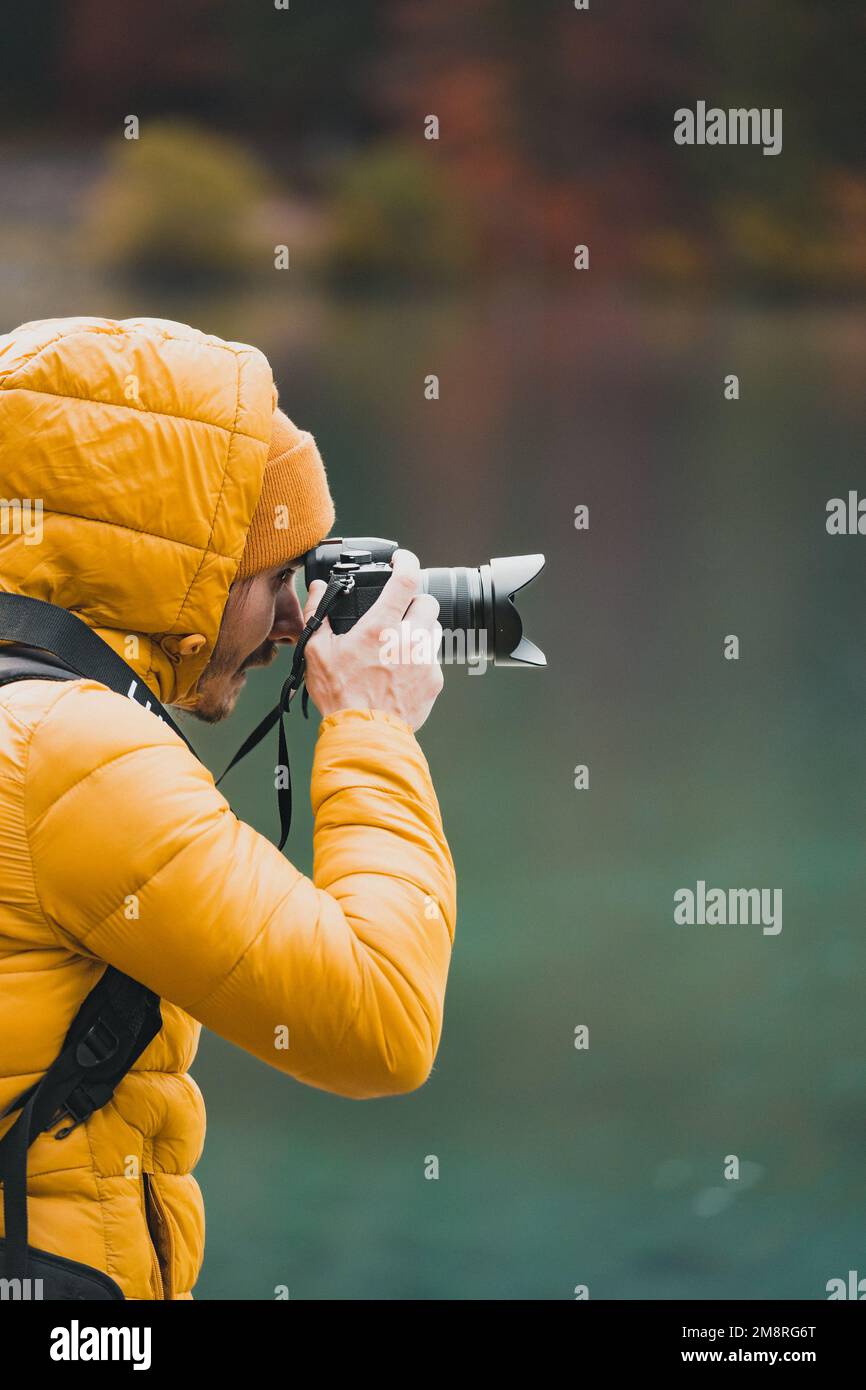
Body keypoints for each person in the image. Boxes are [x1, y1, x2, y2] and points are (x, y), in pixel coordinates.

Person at [0, 315, 456, 1300]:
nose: (294, 617)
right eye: (271, 573)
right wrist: (372, 724)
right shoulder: (70, 754)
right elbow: (380, 1020)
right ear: (169, 562)